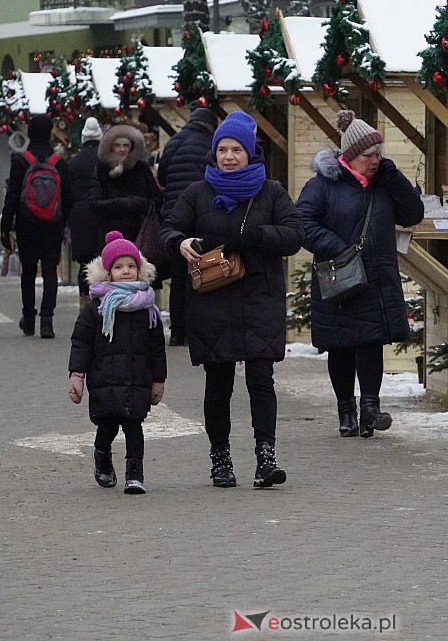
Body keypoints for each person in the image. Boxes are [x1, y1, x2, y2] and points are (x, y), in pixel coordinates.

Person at [160, 111, 304, 489]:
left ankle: (265, 458)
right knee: (218, 383)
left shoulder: (271, 192)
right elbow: (168, 230)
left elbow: (294, 236)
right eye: (222, 149)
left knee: (261, 379)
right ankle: (220, 458)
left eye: (236, 149)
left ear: (250, 152)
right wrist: (181, 242)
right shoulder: (197, 193)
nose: (228, 156)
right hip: (213, 302)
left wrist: (257, 237)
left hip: (260, 297)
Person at [295, 110, 424, 438]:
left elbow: (412, 214)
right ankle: (346, 411)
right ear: (350, 157)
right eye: (369, 155)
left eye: (379, 153)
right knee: (341, 344)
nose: (376, 160)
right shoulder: (322, 185)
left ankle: (371, 408)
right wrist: (336, 247)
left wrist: (395, 178)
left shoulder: (384, 183)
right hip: (340, 276)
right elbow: (302, 224)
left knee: (371, 341)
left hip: (376, 278)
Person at [67, 231, 166, 494]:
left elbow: (157, 348)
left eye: (131, 266)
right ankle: (102, 456)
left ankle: (135, 474)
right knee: (107, 428)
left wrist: (158, 380)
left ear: (140, 269)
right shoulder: (97, 306)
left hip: (137, 381)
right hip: (104, 380)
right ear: (107, 272)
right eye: (119, 267)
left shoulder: (147, 308)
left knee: (135, 428)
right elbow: (81, 342)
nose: (126, 271)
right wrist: (77, 374)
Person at [0, 114, 74, 339]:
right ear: (50, 132)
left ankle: (29, 319)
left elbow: (12, 196)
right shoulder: (59, 163)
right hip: (52, 224)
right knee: (50, 271)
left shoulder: (21, 161)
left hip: (27, 223)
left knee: (29, 271)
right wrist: (63, 223)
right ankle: (47, 321)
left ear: (30, 133)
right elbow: (69, 198)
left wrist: (5, 226)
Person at [156, 106, 218, 346]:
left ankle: (177, 331)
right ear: (211, 125)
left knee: (179, 276)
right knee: (202, 271)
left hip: (174, 216)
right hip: (202, 214)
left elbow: (162, 178)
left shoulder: (173, 143)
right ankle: (196, 329)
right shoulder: (210, 144)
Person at [88, 122, 162, 290]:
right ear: (110, 147)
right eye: (117, 145)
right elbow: (94, 202)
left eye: (125, 145)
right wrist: (124, 203)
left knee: (140, 280)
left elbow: (156, 199)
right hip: (111, 236)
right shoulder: (102, 170)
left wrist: (141, 204)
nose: (121, 150)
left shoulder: (141, 169)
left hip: (140, 235)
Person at [66, 117, 105, 312]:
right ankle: (102, 301)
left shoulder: (73, 162)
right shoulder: (105, 159)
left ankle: (85, 304)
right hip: (102, 213)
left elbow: (68, 193)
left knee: (85, 263)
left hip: (79, 215)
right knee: (103, 259)